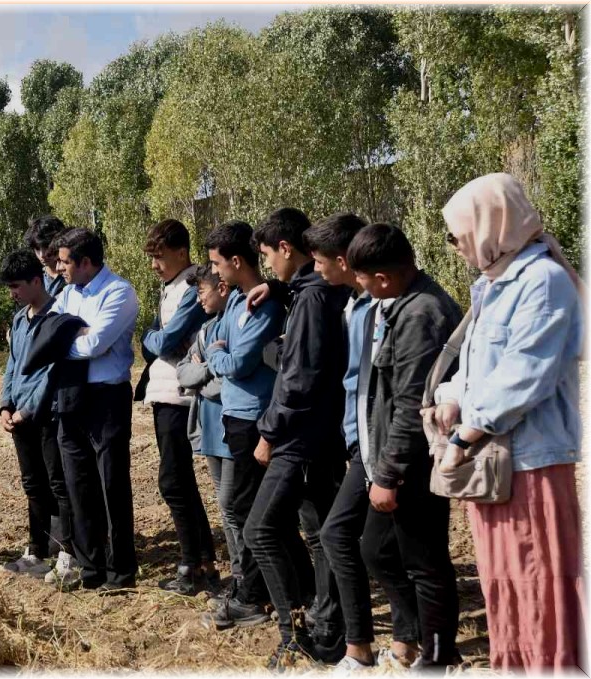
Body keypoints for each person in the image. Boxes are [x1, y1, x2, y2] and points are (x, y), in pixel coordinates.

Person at [430, 173, 584, 672]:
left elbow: (525, 375)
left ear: (490, 224)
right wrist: (451, 398)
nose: (457, 247)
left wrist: (463, 435)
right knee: (505, 585)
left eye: (459, 235)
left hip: (529, 463)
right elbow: (478, 369)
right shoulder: (495, 283)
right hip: (497, 463)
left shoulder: (542, 282)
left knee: (536, 587)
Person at [342, 222, 465, 670]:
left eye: (362, 277)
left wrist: (388, 474)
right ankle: (416, 635)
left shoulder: (421, 315)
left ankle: (438, 656)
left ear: (384, 279)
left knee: (425, 560)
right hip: (391, 461)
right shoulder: (405, 304)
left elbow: (412, 404)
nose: (358, 284)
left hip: (413, 462)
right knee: (376, 549)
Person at [247, 208, 350, 668]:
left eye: (268, 256)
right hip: (321, 433)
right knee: (321, 533)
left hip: (299, 436)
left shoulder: (311, 300)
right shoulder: (317, 290)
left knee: (259, 529)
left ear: (286, 249)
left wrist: (270, 431)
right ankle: (329, 626)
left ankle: (295, 633)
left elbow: (300, 377)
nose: (267, 265)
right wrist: (283, 287)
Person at [50, 228, 140, 592]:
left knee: (111, 484)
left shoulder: (119, 291)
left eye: (65, 261)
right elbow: (47, 331)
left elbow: (97, 344)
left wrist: (63, 341)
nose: (59, 268)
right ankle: (90, 569)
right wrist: (72, 334)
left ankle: (120, 571)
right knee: (78, 483)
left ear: (86, 262)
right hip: (71, 396)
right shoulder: (67, 293)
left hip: (107, 398)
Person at [202, 220, 282, 629]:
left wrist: (216, 356)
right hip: (234, 415)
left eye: (217, 264)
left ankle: (257, 595)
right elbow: (216, 339)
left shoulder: (263, 304)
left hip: (254, 418)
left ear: (236, 261)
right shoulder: (235, 302)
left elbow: (236, 361)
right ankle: (255, 587)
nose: (214, 272)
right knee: (238, 506)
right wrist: (219, 351)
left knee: (246, 508)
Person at [139, 219, 218, 596]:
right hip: (164, 391)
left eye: (159, 257)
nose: (155, 265)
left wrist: (152, 339)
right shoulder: (169, 287)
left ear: (181, 252)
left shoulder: (191, 287)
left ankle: (192, 565)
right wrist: (153, 340)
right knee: (181, 481)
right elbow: (154, 340)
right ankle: (203, 562)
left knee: (173, 481)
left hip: (180, 395)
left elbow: (166, 339)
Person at [0, 249, 76, 586]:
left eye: (17, 286)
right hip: (18, 416)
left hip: (45, 414)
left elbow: (51, 373)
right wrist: (5, 406)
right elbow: (12, 366)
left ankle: (67, 553)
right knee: (33, 485)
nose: (12, 293)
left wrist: (27, 410)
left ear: (35, 280)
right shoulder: (18, 319)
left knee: (58, 483)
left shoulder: (57, 318)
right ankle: (36, 549)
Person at [175, 266, 239, 599]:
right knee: (224, 505)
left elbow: (227, 381)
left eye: (203, 291)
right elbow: (184, 373)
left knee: (233, 505)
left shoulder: (236, 325)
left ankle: (246, 578)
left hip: (233, 426)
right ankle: (241, 578)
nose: (199, 299)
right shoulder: (205, 331)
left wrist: (205, 371)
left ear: (223, 288)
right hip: (210, 429)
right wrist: (207, 368)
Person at [25, 215, 69, 297]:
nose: (42, 255)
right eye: (37, 249)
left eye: (46, 246)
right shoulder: (33, 280)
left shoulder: (75, 274)